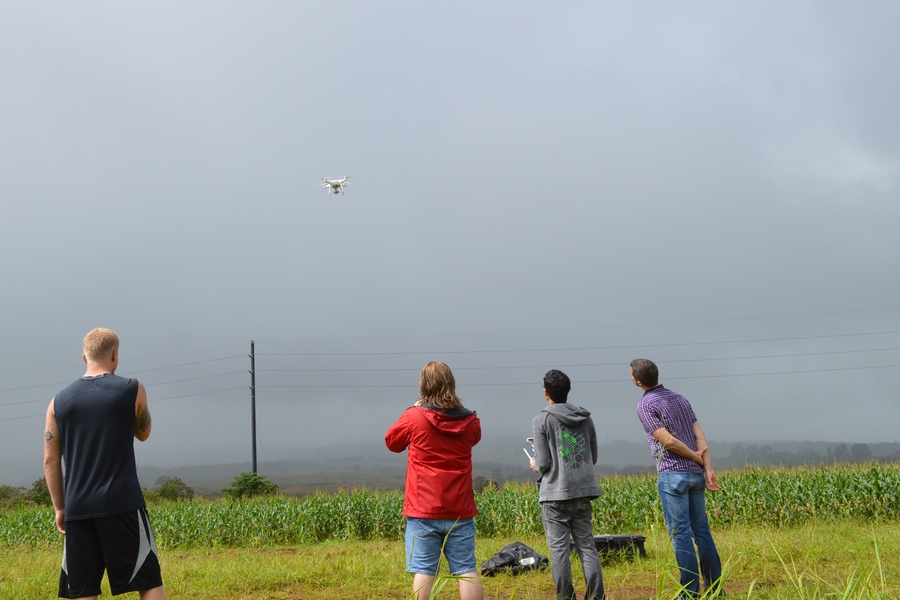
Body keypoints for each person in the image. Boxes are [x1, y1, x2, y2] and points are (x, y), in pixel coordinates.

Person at [43, 328, 167, 600]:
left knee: (82, 590)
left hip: (78, 508)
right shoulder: (133, 388)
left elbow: (50, 459)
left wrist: (60, 508)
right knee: (148, 582)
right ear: (115, 354)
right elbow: (144, 434)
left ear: (84, 357)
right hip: (122, 504)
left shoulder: (58, 402)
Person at [385, 361, 484, 600]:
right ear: (451, 383)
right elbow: (474, 439)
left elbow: (392, 442)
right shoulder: (472, 422)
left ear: (424, 385)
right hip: (460, 509)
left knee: (424, 570)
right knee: (466, 568)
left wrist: (414, 409)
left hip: (423, 509)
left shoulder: (414, 417)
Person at [630, 358, 723, 597]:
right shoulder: (680, 399)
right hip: (695, 475)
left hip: (672, 475)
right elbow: (700, 435)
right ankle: (715, 590)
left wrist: (694, 456)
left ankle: (689, 593)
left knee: (681, 534)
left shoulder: (644, 405)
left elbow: (668, 441)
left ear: (637, 380)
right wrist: (707, 468)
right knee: (702, 532)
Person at [530, 369, 605, 600]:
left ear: (545, 392)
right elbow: (592, 458)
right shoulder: (585, 418)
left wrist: (535, 465)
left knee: (559, 551)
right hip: (583, 492)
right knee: (587, 546)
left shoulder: (541, 420)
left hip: (554, 495)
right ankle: (596, 596)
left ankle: (566, 597)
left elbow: (543, 462)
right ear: (568, 390)